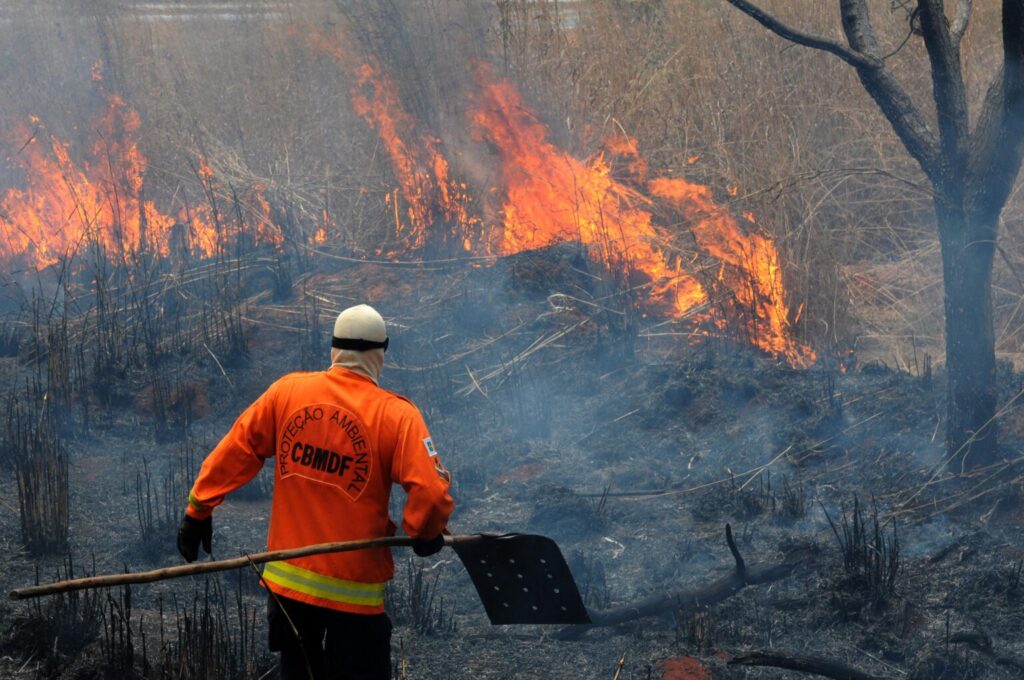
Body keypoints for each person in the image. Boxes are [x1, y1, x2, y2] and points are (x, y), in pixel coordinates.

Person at [176, 304, 454, 679]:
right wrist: (425, 531)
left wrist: (198, 510)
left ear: (334, 349)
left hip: (288, 590)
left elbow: (237, 449)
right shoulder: (397, 416)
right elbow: (432, 494)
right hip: (354, 598)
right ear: (380, 353)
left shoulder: (287, 393)